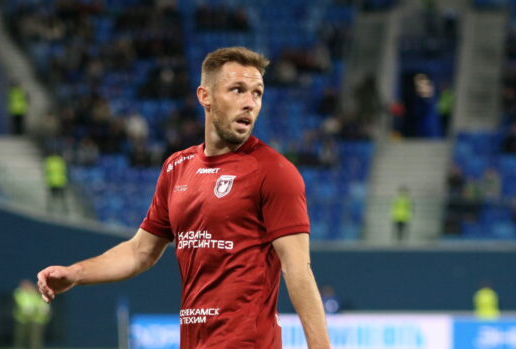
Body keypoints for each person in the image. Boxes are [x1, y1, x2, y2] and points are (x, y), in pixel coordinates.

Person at [37, 47, 331, 348]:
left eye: (257, 93)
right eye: (237, 90)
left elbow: (297, 269)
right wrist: (76, 273)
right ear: (205, 96)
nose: (249, 103)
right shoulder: (177, 168)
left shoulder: (275, 172)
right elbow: (140, 251)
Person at [13, 280, 50, 349]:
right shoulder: (19, 293)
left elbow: (39, 304)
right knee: (21, 337)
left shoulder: (35, 294)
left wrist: (43, 309)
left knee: (34, 337)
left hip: (35, 319)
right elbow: (20, 302)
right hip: (22, 319)